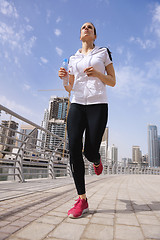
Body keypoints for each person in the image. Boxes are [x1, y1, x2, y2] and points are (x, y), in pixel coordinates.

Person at [58, 22, 116, 218]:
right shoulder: (73, 58)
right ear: (80, 35)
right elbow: (69, 88)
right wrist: (65, 79)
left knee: (90, 150)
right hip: (77, 104)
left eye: (90, 27)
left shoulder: (103, 52)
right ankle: (82, 199)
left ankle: (96, 159)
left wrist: (98, 74)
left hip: (98, 104)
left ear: (94, 35)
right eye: (83, 27)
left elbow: (113, 81)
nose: (86, 28)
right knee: (73, 145)